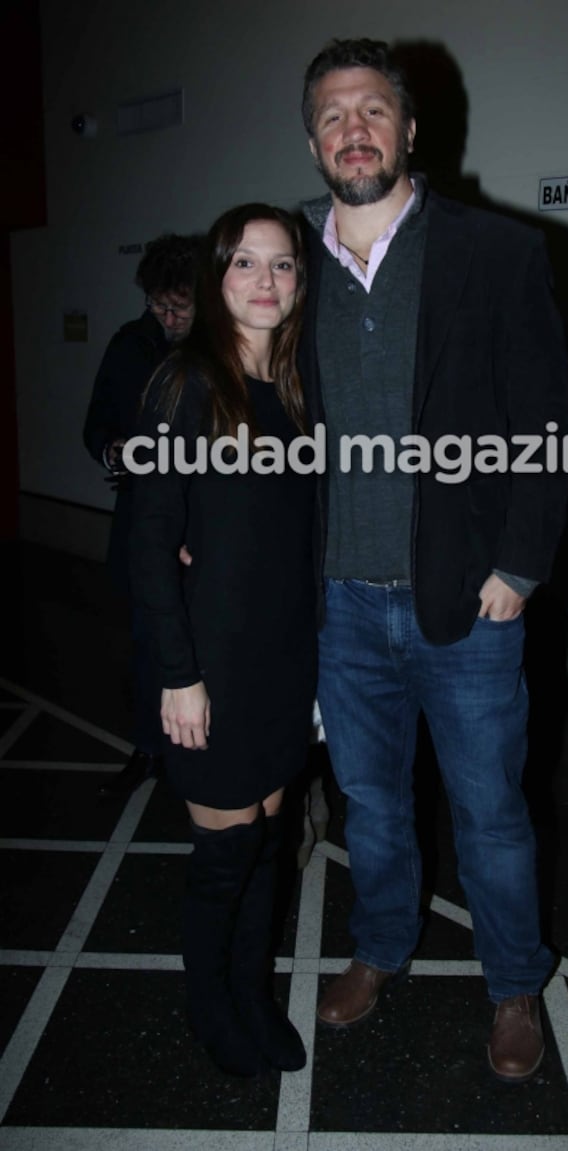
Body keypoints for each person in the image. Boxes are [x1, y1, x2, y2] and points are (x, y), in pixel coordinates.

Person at [298, 38, 568, 1083]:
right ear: (313, 138)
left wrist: (520, 563)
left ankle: (511, 982)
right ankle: (378, 945)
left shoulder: (494, 252)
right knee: (371, 803)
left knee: (490, 811)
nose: (353, 129)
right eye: (331, 115)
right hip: (337, 601)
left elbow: (548, 422)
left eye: (372, 110)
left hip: (466, 600)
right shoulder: (283, 261)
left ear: (410, 130)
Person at [128, 204, 317, 1077]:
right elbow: (148, 541)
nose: (265, 281)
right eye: (245, 263)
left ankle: (251, 992)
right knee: (225, 854)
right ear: (215, 277)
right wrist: (178, 675)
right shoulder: (185, 383)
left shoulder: (299, 386)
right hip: (209, 663)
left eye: (281, 265)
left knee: (270, 845)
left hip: (282, 662)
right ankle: (212, 1007)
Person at [83, 233, 202, 797]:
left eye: (181, 304)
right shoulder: (129, 344)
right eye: (160, 304)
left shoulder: (221, 349)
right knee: (145, 639)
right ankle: (148, 747)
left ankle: (198, 751)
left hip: (204, 524)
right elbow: (96, 425)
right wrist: (112, 450)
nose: (170, 316)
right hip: (141, 519)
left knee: (207, 641)